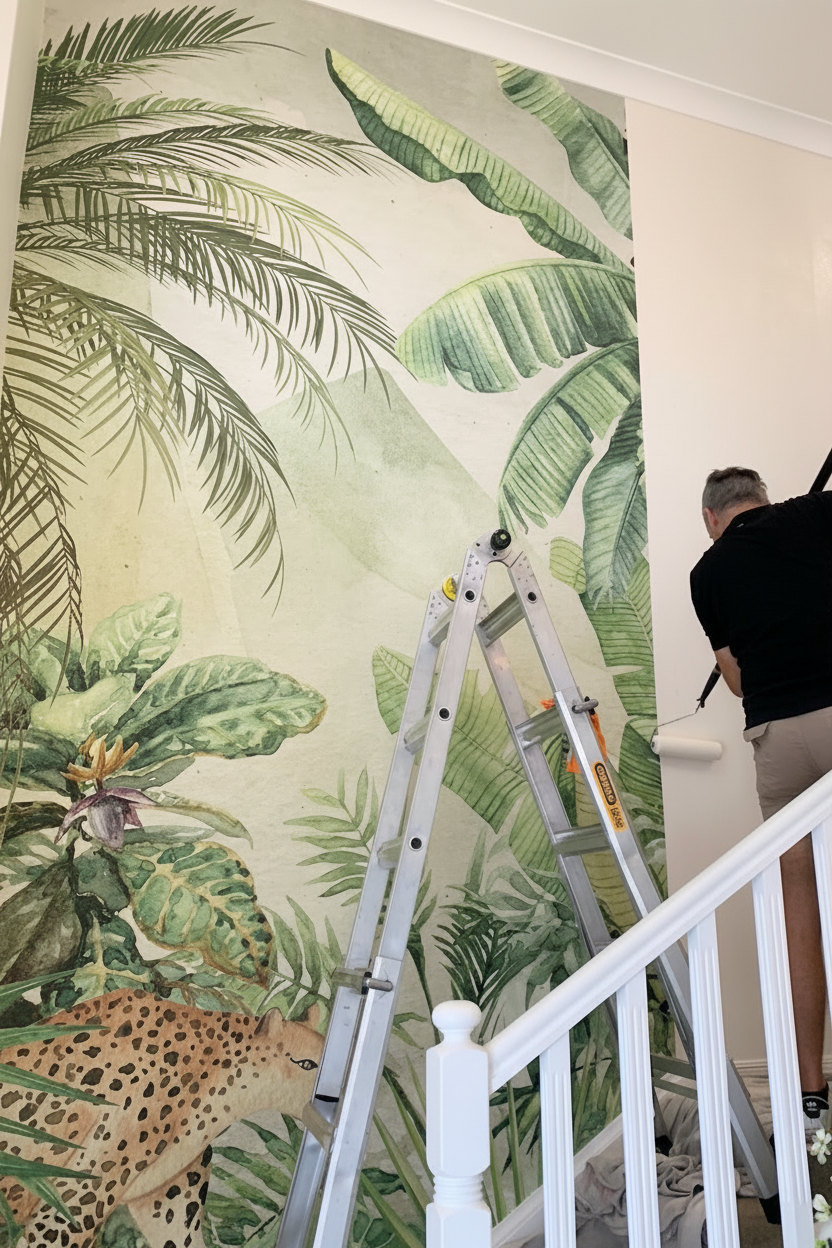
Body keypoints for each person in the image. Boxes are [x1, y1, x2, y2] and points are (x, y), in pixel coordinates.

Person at [690, 466, 832, 1138]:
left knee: (800, 911)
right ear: (762, 501)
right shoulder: (815, 515)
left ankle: (811, 1094)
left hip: (780, 742)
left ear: (712, 518)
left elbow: (739, 681)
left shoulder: (706, 573)